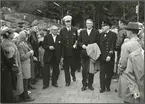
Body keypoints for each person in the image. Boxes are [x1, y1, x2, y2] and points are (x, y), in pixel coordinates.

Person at [117, 22, 142, 103]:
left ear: (130, 32)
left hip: (128, 74)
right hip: (140, 74)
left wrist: (119, 70)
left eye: (127, 31)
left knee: (128, 98)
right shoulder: (140, 42)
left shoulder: (127, 45)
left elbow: (123, 62)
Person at [1, 28, 24, 102]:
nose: (14, 34)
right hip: (12, 66)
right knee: (14, 82)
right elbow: (9, 57)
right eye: (12, 33)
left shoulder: (9, 42)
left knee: (15, 81)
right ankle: (14, 97)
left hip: (15, 64)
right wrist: (14, 65)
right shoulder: (6, 44)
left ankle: (16, 96)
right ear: (8, 35)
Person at [78, 19, 100, 91]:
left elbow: (97, 42)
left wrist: (92, 47)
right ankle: (84, 84)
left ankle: (90, 84)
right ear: (86, 24)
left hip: (92, 54)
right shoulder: (82, 32)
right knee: (84, 70)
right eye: (87, 23)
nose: (89, 25)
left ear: (92, 24)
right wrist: (82, 45)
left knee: (91, 70)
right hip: (84, 53)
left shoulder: (96, 32)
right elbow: (79, 41)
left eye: (90, 23)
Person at [123, 29, 144, 103]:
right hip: (140, 91)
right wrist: (135, 90)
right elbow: (130, 74)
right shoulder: (133, 56)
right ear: (139, 41)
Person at [99, 20, 117, 93]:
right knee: (102, 73)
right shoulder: (101, 35)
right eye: (102, 26)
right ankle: (102, 87)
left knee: (109, 72)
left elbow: (112, 45)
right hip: (102, 57)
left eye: (104, 26)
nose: (102, 27)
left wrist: (109, 55)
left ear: (108, 27)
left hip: (110, 56)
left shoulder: (113, 35)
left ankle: (108, 86)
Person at [60, 15, 78, 86]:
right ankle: (67, 81)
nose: (68, 23)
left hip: (73, 52)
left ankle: (73, 74)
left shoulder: (74, 29)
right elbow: (61, 42)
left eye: (69, 22)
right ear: (65, 23)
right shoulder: (62, 30)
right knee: (66, 67)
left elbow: (77, 39)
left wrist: (75, 44)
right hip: (65, 52)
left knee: (73, 67)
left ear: (71, 22)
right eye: (66, 22)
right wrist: (61, 54)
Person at [17, 31, 35, 102]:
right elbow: (22, 56)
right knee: (25, 81)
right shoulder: (20, 45)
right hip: (24, 65)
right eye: (26, 35)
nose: (27, 37)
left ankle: (24, 95)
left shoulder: (24, 43)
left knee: (26, 80)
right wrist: (30, 53)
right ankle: (25, 96)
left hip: (27, 64)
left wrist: (31, 52)